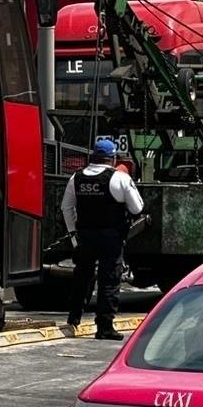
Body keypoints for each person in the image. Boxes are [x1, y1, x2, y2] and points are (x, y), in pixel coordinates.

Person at [60, 139, 144, 340]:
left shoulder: (76, 178)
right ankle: (105, 326)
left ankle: (73, 319)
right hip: (111, 237)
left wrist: (73, 235)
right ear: (112, 158)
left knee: (82, 277)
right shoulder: (119, 178)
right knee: (109, 280)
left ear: (93, 156)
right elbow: (137, 208)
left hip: (85, 236)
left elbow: (66, 207)